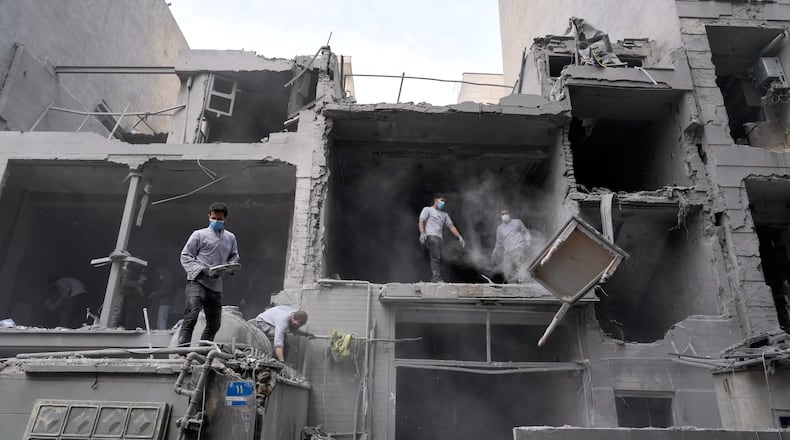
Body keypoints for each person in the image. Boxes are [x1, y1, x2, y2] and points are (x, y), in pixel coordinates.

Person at [178, 202, 240, 346]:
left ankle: (203, 351)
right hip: (197, 282)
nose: (216, 221)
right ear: (208, 217)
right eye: (213, 218)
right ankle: (181, 351)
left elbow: (234, 255)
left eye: (219, 219)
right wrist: (202, 270)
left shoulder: (230, 238)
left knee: (214, 323)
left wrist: (230, 266)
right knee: (191, 316)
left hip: (216, 285)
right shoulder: (199, 235)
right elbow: (185, 256)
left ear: (225, 219)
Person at [418, 194, 465, 282]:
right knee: (435, 256)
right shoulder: (428, 209)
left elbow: (451, 226)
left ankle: (437, 277)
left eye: (444, 202)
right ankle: (436, 278)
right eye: (441, 200)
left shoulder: (444, 215)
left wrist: (459, 237)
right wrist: (422, 232)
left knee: (441, 257)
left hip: (439, 238)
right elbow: (421, 221)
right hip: (431, 236)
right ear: (436, 200)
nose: (443, 203)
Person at [490, 209, 532, 284]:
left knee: (519, 264)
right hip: (508, 251)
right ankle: (513, 284)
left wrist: (528, 240)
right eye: (502, 214)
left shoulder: (517, 222)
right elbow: (499, 242)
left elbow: (525, 231)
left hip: (518, 247)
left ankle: (524, 283)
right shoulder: (500, 228)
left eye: (505, 213)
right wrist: (495, 251)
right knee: (507, 269)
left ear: (509, 214)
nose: (504, 215)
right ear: (500, 216)